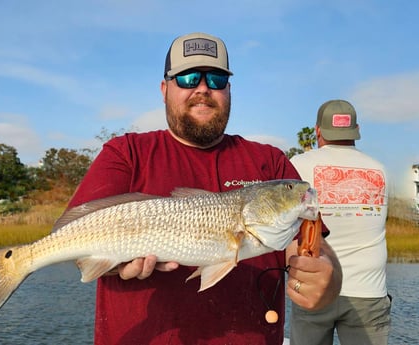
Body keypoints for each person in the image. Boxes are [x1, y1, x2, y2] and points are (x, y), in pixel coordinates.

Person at [67, 32, 342, 345]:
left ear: (229, 89)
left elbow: (310, 247)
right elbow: (75, 240)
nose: (202, 88)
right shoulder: (125, 153)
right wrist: (115, 265)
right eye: (187, 78)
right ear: (164, 89)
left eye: (216, 79)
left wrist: (326, 276)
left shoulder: (270, 162)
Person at [289, 99, 391, 345]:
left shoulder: (297, 165)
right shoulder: (381, 170)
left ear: (317, 131)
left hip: (314, 288)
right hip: (369, 291)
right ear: (356, 130)